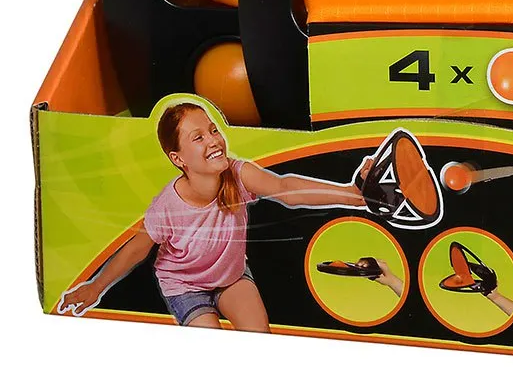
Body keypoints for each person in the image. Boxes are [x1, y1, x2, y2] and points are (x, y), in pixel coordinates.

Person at [58, 101, 374, 331]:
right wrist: (95, 287)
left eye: (213, 130)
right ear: (178, 158)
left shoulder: (238, 173)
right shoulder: (168, 206)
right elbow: (136, 250)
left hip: (230, 276)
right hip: (185, 285)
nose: (213, 140)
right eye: (198, 137)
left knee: (259, 336)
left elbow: (285, 188)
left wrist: (353, 195)